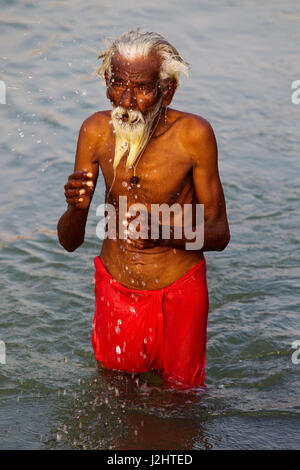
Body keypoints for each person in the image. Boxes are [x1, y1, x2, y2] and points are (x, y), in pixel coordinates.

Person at [57, 30, 230, 388]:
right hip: (115, 290)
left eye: (143, 89)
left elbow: (219, 233)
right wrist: (75, 208)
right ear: (106, 83)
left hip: (180, 292)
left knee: (182, 404)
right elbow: (70, 242)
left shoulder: (193, 135)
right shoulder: (94, 131)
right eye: (118, 84)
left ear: (168, 91)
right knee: (115, 397)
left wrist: (162, 232)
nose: (127, 101)